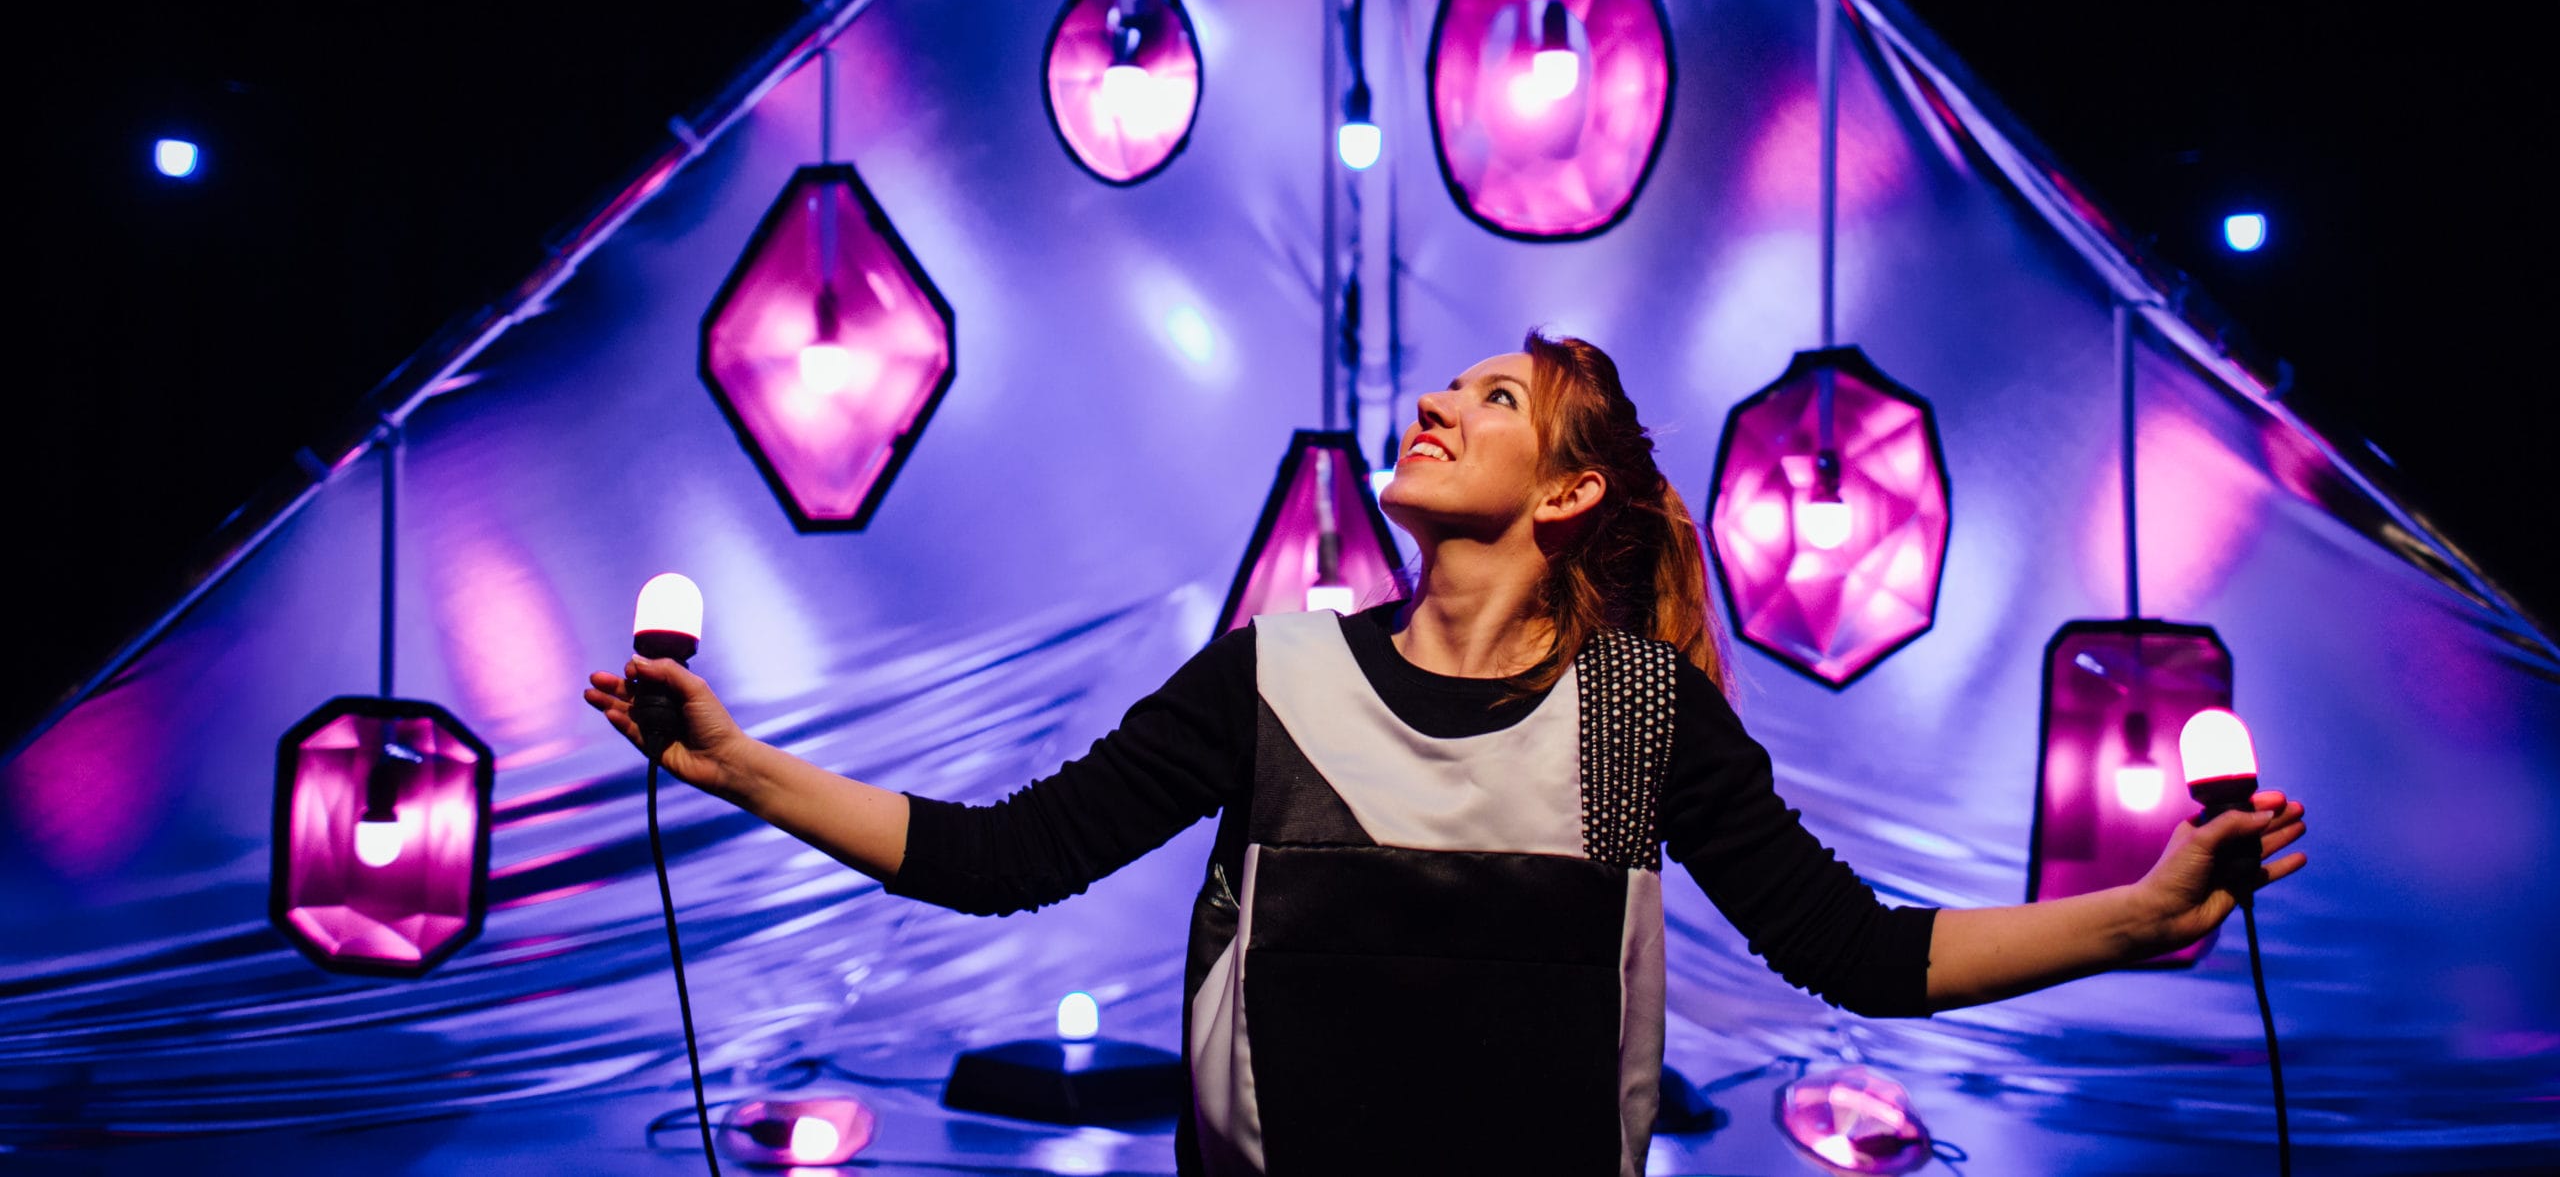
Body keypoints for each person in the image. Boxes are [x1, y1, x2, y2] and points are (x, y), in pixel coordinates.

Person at [586, 329, 2308, 1177]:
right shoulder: (1272, 676)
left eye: (1492, 402)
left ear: (1568, 492)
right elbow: (998, 861)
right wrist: (736, 762)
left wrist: (2138, 914)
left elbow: (1854, 952)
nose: (1433, 406)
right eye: (1451, 389)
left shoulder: (1639, 714)